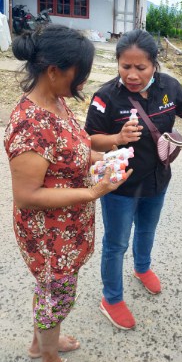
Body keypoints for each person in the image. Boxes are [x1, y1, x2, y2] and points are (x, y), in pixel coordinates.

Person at [84, 29, 182, 330]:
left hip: (158, 179)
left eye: (140, 67)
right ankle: (112, 298)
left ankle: (142, 268)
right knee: (116, 244)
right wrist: (118, 137)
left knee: (147, 229)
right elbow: (90, 140)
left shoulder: (168, 86)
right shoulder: (106, 97)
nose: (132, 74)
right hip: (120, 186)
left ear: (154, 65)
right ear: (118, 63)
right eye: (125, 66)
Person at [4, 25, 131, 362]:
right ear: (52, 70)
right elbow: (27, 195)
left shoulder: (57, 102)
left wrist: (106, 158)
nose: (83, 81)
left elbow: (74, 149)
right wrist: (92, 194)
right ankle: (47, 355)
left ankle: (40, 343)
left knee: (51, 292)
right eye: (80, 73)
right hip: (48, 234)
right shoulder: (31, 124)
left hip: (67, 226)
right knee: (55, 294)